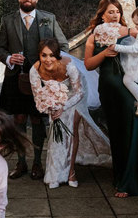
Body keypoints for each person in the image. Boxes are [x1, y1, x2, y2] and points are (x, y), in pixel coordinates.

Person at [84, 0, 138, 198]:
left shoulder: (130, 32)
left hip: (129, 87)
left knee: (132, 130)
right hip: (108, 88)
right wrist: (105, 53)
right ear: (102, 15)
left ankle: (133, 182)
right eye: (110, 12)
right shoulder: (93, 36)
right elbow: (89, 64)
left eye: (117, 12)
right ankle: (120, 177)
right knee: (116, 133)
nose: (115, 15)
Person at [0, 0, 69, 180]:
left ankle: (37, 162)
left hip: (43, 80)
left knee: (38, 120)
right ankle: (21, 163)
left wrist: (49, 60)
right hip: (15, 78)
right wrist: (10, 58)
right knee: (18, 120)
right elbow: (0, 48)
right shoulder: (8, 20)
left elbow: (63, 45)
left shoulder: (48, 18)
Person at [30, 39, 111, 189]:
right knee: (56, 132)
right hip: (54, 99)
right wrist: (50, 108)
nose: (48, 60)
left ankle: (71, 172)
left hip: (76, 95)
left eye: (52, 56)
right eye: (44, 55)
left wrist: (63, 107)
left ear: (58, 56)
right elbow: (38, 96)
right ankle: (54, 174)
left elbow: (79, 92)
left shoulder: (69, 65)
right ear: (39, 55)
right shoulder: (34, 70)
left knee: (72, 131)